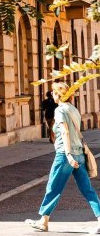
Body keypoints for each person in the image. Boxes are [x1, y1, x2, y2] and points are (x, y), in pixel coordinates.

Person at [26, 82, 100, 232]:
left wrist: (67, 154)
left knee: (53, 188)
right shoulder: (74, 109)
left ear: (58, 94)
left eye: (53, 92)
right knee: (87, 189)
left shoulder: (60, 110)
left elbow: (65, 132)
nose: (52, 95)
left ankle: (43, 221)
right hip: (79, 154)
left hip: (65, 155)